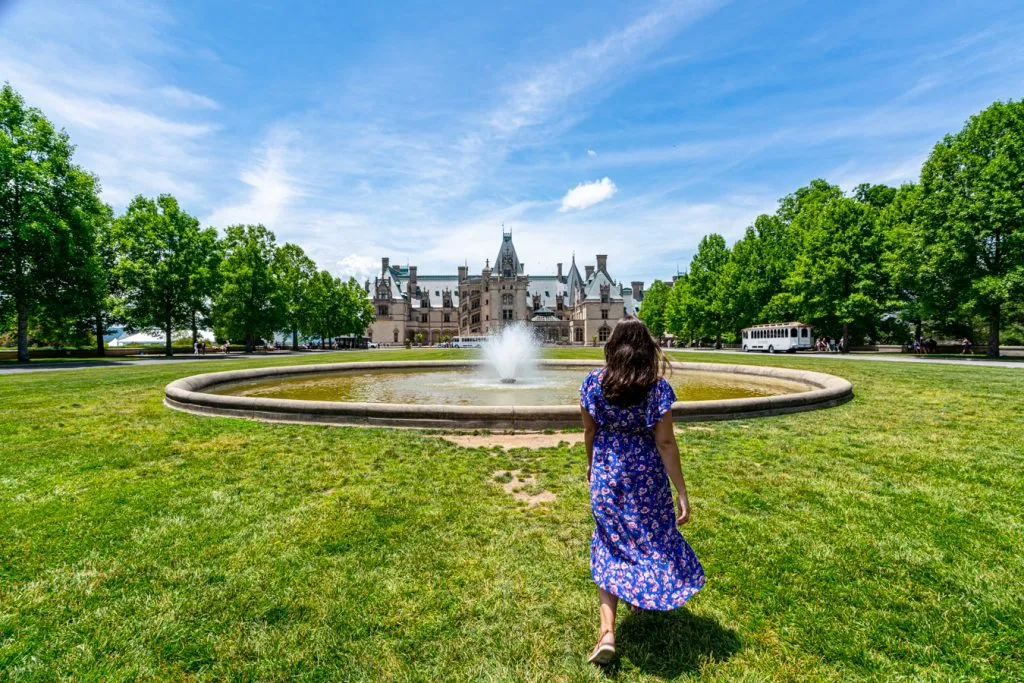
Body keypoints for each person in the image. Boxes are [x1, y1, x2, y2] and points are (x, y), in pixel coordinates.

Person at [579, 318, 704, 665]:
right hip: (645, 475)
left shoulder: (593, 383)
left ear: (612, 347)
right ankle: (641, 595)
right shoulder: (656, 387)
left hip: (608, 472)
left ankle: (607, 632)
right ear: (647, 348)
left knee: (610, 541)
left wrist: (592, 464)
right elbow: (664, 442)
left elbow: (589, 431)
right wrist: (681, 490)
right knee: (649, 537)